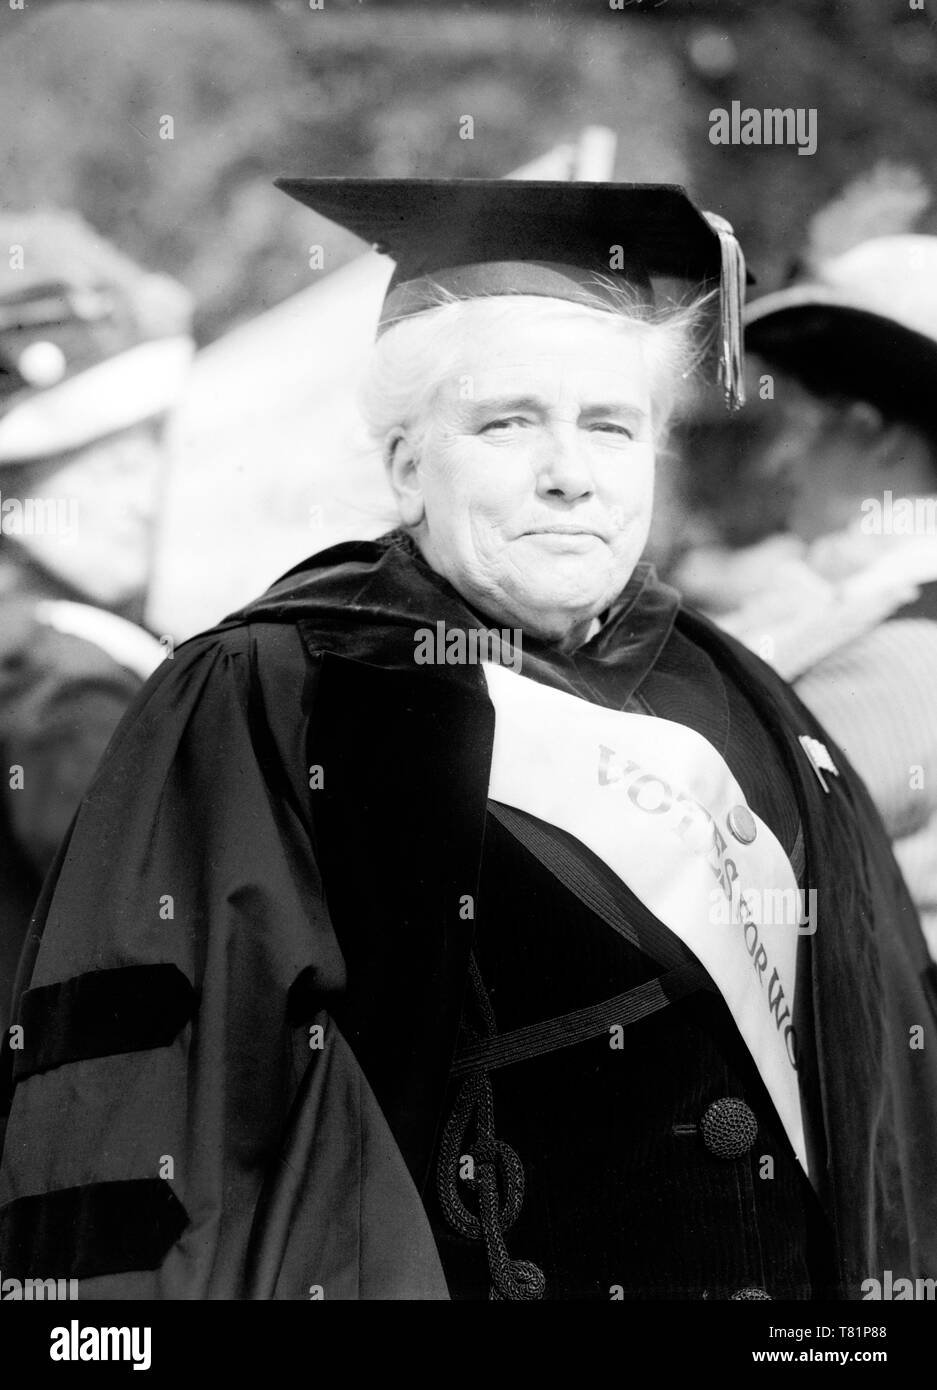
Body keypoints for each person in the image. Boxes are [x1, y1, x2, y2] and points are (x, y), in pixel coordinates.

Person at [0, 180, 934, 1302]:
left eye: (610, 425)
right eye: (506, 422)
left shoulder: (745, 703)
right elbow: (161, 1141)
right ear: (403, 461)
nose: (569, 472)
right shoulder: (282, 695)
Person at [685, 234, 937, 956]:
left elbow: (714, 841)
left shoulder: (907, 652)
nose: (775, 460)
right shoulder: (864, 604)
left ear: (872, 434)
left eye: (793, 423)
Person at [0, 211, 194, 1032]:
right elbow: (165, 949)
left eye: (149, 453)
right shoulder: (62, 688)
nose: (143, 497)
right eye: (108, 465)